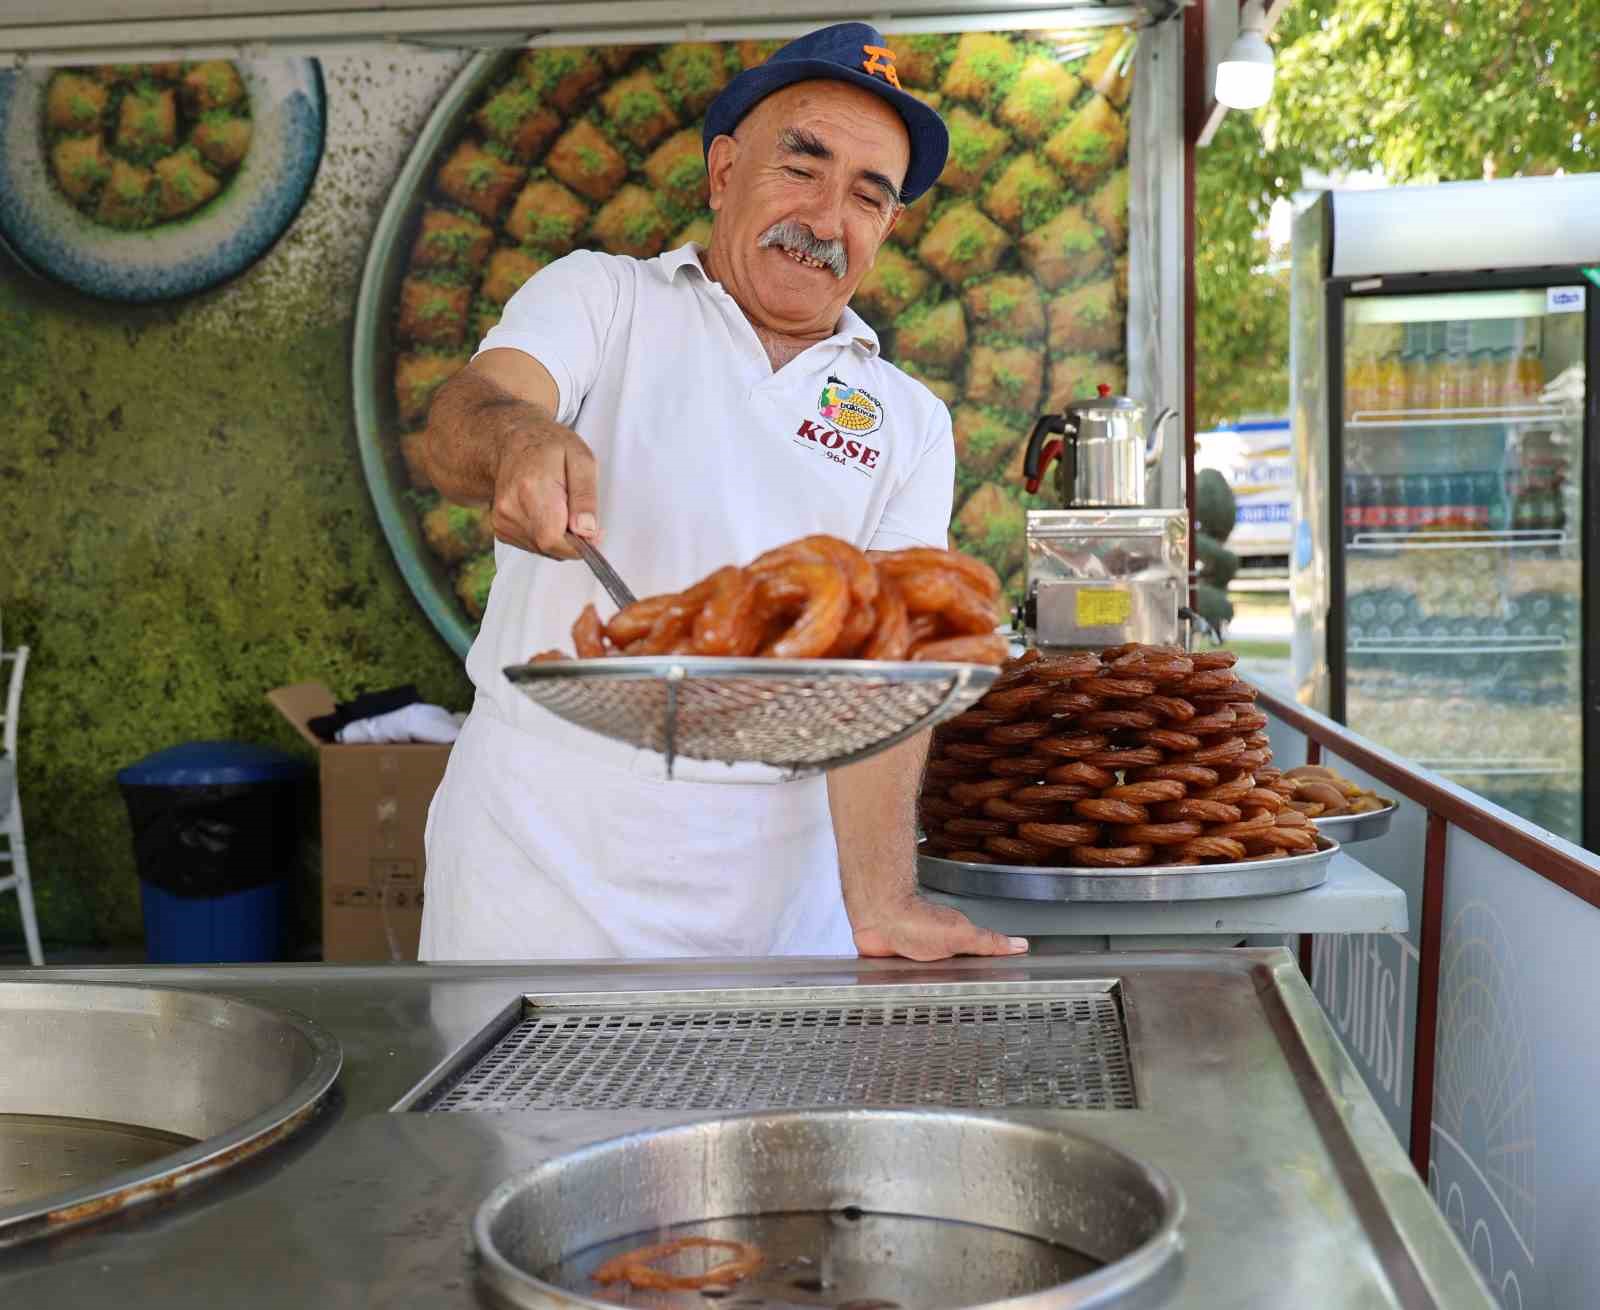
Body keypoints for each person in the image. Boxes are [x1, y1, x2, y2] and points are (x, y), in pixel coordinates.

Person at [419, 22, 1027, 964]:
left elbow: (881, 676)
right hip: (537, 886)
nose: (827, 220)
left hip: (780, 909)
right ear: (723, 171)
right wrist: (520, 440)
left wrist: (882, 901)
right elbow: (471, 409)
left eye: (869, 197)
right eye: (803, 167)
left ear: (888, 228)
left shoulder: (908, 420)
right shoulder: (604, 298)